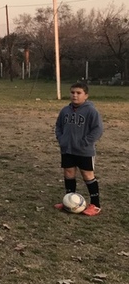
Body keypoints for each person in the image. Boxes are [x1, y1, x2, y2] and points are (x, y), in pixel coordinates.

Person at [53, 82, 104, 216]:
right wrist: (61, 139)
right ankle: (69, 201)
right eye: (72, 92)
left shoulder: (91, 111)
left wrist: (85, 142)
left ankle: (95, 205)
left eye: (78, 93)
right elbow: (58, 126)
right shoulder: (65, 110)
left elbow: (98, 129)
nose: (75, 95)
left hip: (84, 150)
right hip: (67, 149)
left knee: (87, 175)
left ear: (85, 95)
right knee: (69, 173)